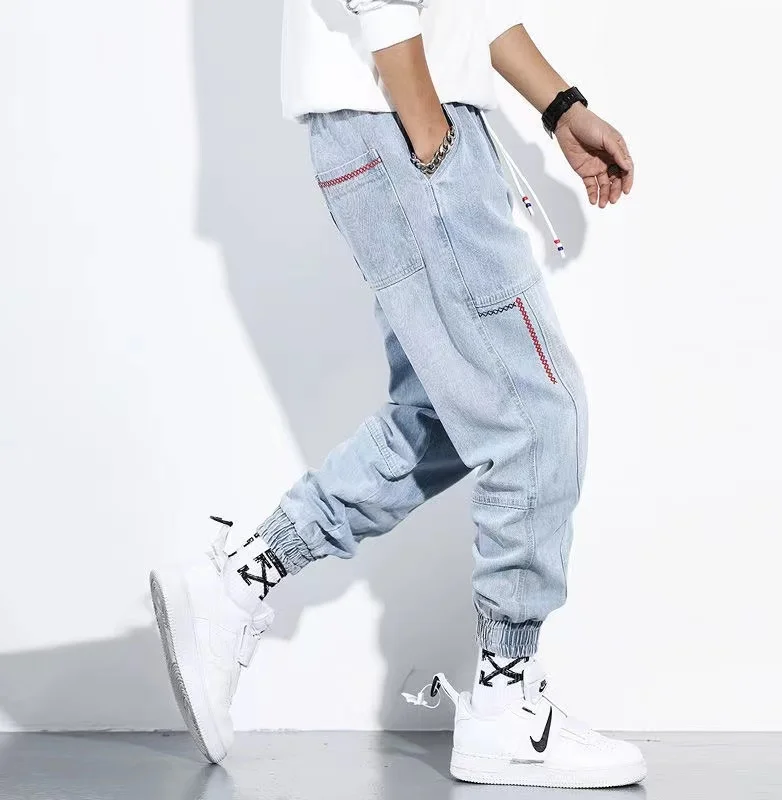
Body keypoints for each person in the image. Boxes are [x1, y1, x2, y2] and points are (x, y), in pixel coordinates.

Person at [150, 0, 643, 788]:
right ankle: (504, 701)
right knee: (540, 413)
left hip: (398, 120)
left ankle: (240, 579)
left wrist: (560, 107)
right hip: (400, 118)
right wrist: (430, 134)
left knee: (442, 417)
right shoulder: (414, 116)